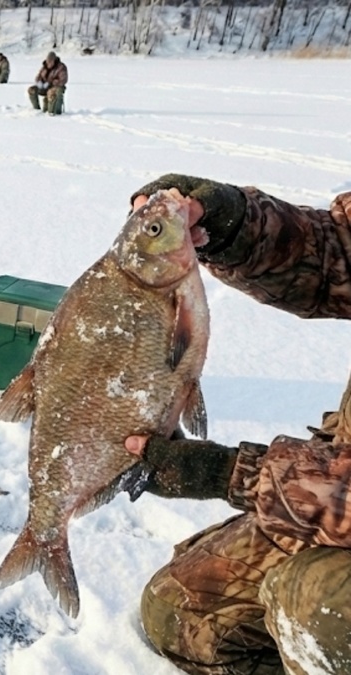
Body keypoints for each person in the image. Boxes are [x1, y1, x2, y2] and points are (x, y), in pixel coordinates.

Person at [125, 174, 351, 674]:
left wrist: (237, 474)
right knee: (181, 611)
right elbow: (338, 251)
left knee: (312, 604)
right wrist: (233, 222)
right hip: (333, 486)